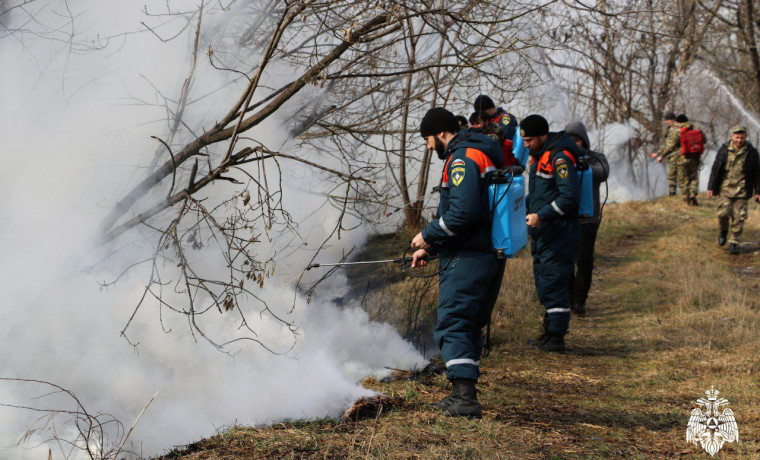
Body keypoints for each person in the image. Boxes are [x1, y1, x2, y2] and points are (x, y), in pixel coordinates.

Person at [409, 107, 504, 417]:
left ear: (439, 133)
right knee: (468, 324)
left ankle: (464, 398)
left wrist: (427, 235)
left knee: (455, 322)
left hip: (469, 257)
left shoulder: (461, 158)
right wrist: (432, 248)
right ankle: (462, 393)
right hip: (483, 252)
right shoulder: (477, 152)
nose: (427, 147)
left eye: (426, 139)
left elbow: (463, 214)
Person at [521, 115, 581, 352]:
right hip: (544, 234)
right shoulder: (539, 157)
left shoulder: (560, 158)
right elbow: (540, 194)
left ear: (542, 136)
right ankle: (549, 333)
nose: (526, 145)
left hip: (559, 233)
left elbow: (569, 198)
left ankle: (556, 338)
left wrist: (542, 215)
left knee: (554, 283)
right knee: (546, 283)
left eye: (529, 140)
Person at [565, 122, 610, 316]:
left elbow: (603, 173)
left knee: (584, 261)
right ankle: (568, 298)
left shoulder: (596, 158)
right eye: (571, 140)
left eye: (577, 139)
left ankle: (580, 301)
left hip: (589, 219)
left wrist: (585, 165)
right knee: (566, 261)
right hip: (566, 218)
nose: (574, 143)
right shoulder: (563, 158)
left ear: (584, 140)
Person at [707, 125, 760, 255]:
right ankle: (723, 231)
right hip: (725, 189)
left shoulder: (751, 152)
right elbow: (716, 168)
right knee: (723, 214)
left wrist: (758, 191)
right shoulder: (724, 149)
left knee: (739, 217)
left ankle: (734, 243)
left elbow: (757, 173)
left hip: (742, 190)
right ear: (732, 136)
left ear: (746, 137)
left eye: (742, 138)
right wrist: (711, 186)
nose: (739, 140)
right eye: (737, 137)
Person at [473, 95, 520, 166]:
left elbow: (500, 142)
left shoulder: (505, 119)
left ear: (487, 110)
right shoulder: (489, 119)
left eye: (481, 113)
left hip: (502, 159)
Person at [674, 114, 703, 206]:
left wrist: (661, 155)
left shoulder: (677, 131)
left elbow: (671, 145)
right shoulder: (696, 128)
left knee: (683, 179)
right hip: (695, 157)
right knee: (694, 178)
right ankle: (693, 193)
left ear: (679, 122)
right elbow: (704, 140)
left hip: (682, 158)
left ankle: (686, 200)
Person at [652, 111, 681, 196]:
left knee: (673, 176)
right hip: (677, 155)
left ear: (672, 120)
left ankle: (673, 196)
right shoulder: (673, 128)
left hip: (677, 156)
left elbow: (670, 146)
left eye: (667, 120)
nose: (665, 122)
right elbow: (666, 144)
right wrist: (657, 153)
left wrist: (661, 156)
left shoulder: (675, 129)